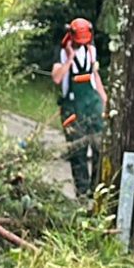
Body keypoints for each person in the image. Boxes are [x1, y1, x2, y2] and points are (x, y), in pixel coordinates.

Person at [52, 18, 108, 198]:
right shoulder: (61, 53)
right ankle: (82, 196)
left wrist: (105, 101)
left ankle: (95, 191)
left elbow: (95, 77)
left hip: (92, 105)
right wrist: (70, 58)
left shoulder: (91, 51)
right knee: (78, 154)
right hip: (72, 108)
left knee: (101, 148)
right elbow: (57, 78)